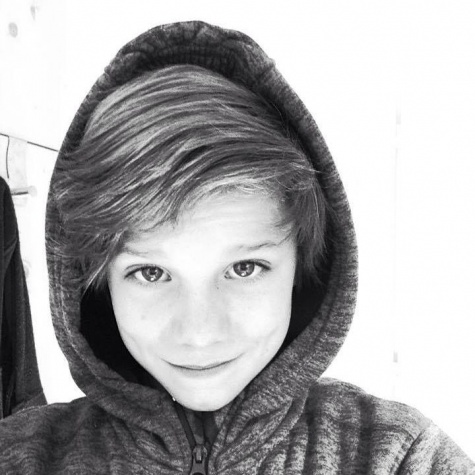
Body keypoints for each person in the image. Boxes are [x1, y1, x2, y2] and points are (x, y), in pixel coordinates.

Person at [0, 20, 473, 474]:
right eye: (150, 273)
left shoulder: (399, 458)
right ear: (97, 282)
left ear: (303, 267)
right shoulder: (21, 458)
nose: (199, 334)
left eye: (245, 267)